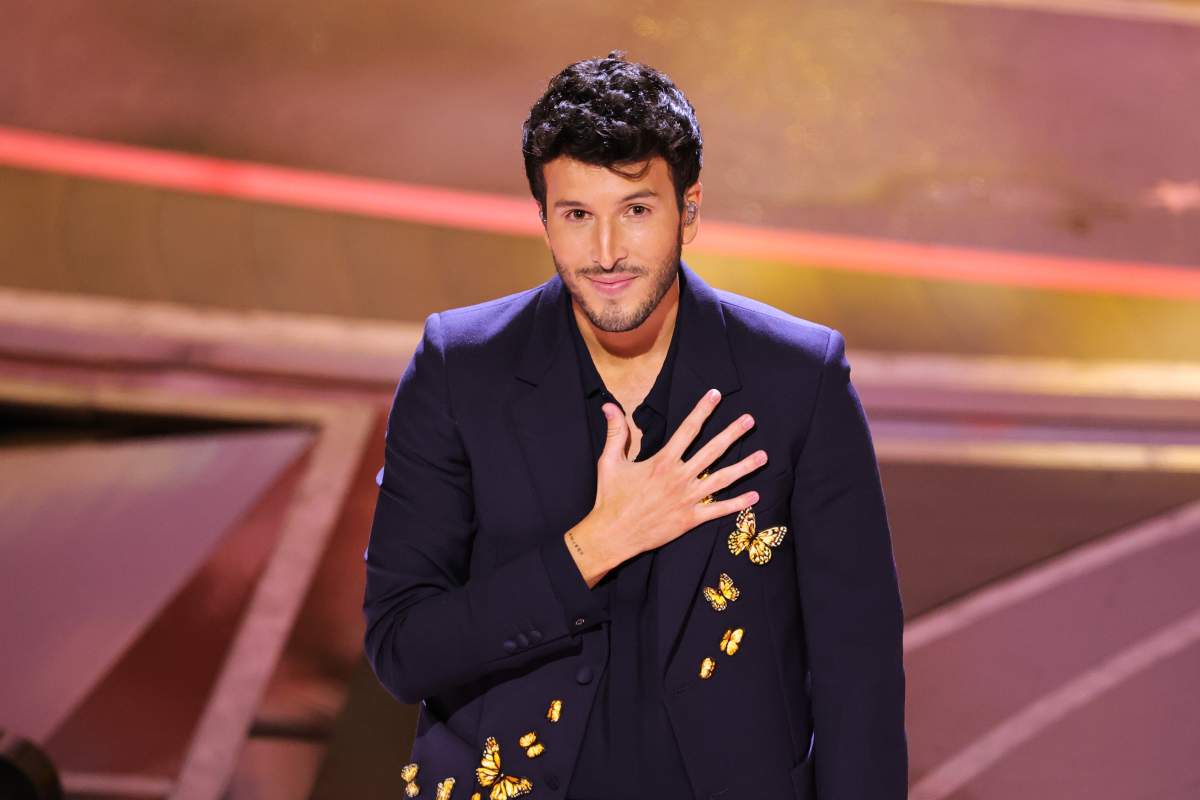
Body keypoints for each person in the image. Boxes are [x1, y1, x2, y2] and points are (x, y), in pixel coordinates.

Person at [363, 50, 906, 800]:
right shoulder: (461, 368)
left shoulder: (797, 379)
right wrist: (593, 547)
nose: (607, 252)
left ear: (689, 210)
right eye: (577, 215)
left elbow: (858, 668)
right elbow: (401, 650)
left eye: (637, 210)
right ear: (543, 219)